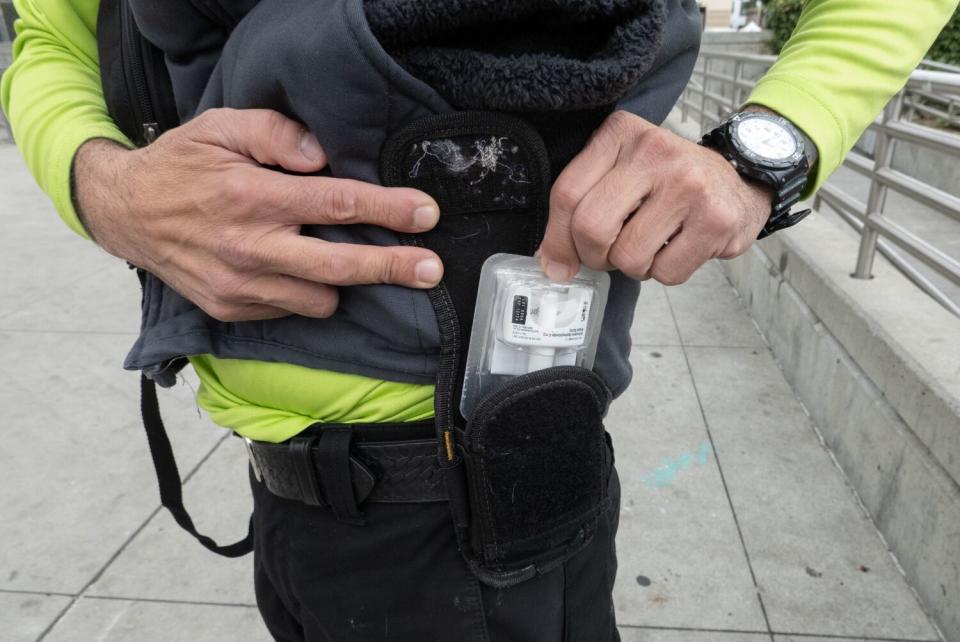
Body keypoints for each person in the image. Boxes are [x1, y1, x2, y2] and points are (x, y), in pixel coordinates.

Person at [2, 0, 955, 640]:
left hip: (472, 509)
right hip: (291, 510)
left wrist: (771, 146)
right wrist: (107, 186)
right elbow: (52, 38)